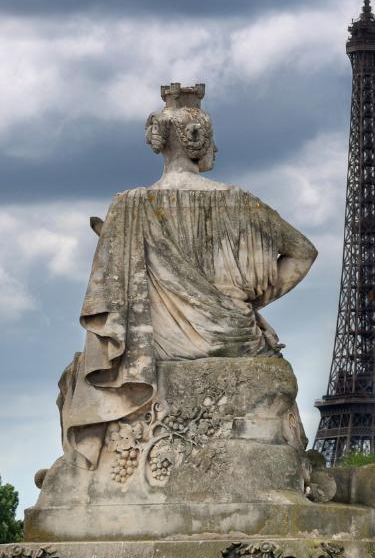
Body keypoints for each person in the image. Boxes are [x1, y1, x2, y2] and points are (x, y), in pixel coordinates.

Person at [58, 83, 317, 469]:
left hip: (158, 347)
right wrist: (247, 301)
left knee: (74, 378)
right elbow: (303, 253)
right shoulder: (239, 201)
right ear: (199, 141)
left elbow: (108, 303)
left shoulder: (128, 208)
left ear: (159, 141)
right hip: (234, 337)